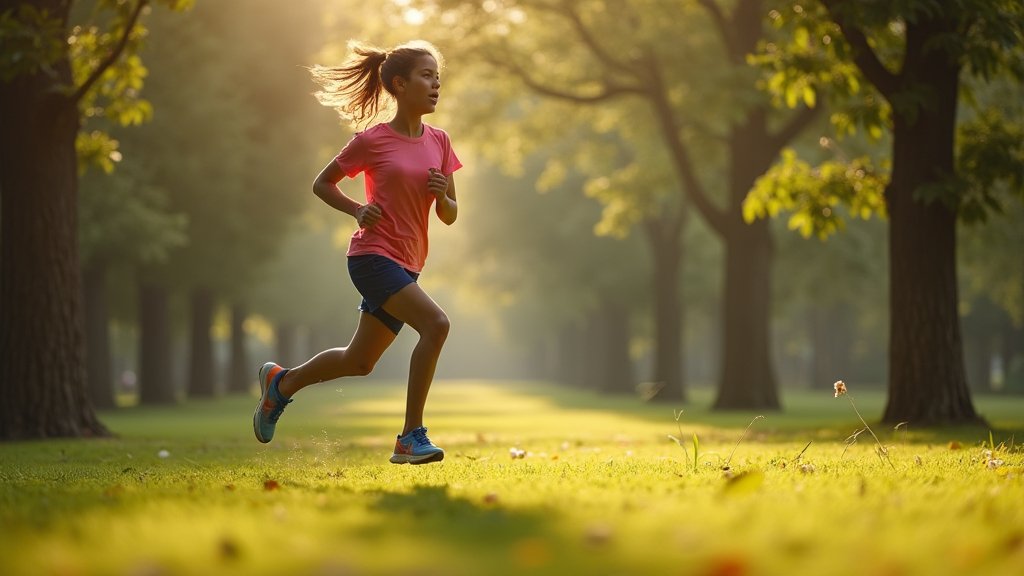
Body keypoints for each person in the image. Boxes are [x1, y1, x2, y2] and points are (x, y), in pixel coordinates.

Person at [252, 40, 461, 465]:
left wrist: (443, 196)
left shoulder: (439, 141)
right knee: (436, 324)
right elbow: (323, 183)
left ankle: (282, 384)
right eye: (426, 76)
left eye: (438, 77)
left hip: (409, 261)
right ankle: (410, 437)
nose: (436, 84)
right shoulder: (372, 141)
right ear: (400, 85)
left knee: (359, 360)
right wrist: (357, 209)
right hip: (372, 256)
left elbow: (451, 215)